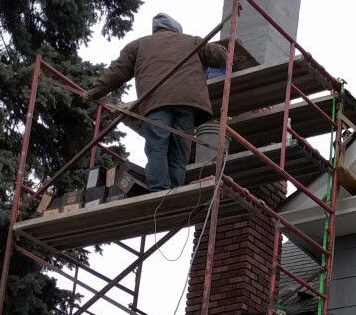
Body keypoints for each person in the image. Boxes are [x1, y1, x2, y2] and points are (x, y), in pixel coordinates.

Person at [87, 13, 249, 191]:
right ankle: (173, 191)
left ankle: (159, 190)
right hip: (188, 102)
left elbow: (116, 72)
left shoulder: (139, 45)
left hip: (157, 102)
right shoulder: (191, 41)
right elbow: (219, 57)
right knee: (179, 152)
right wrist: (223, 50)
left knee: (157, 146)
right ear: (176, 30)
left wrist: (94, 91)